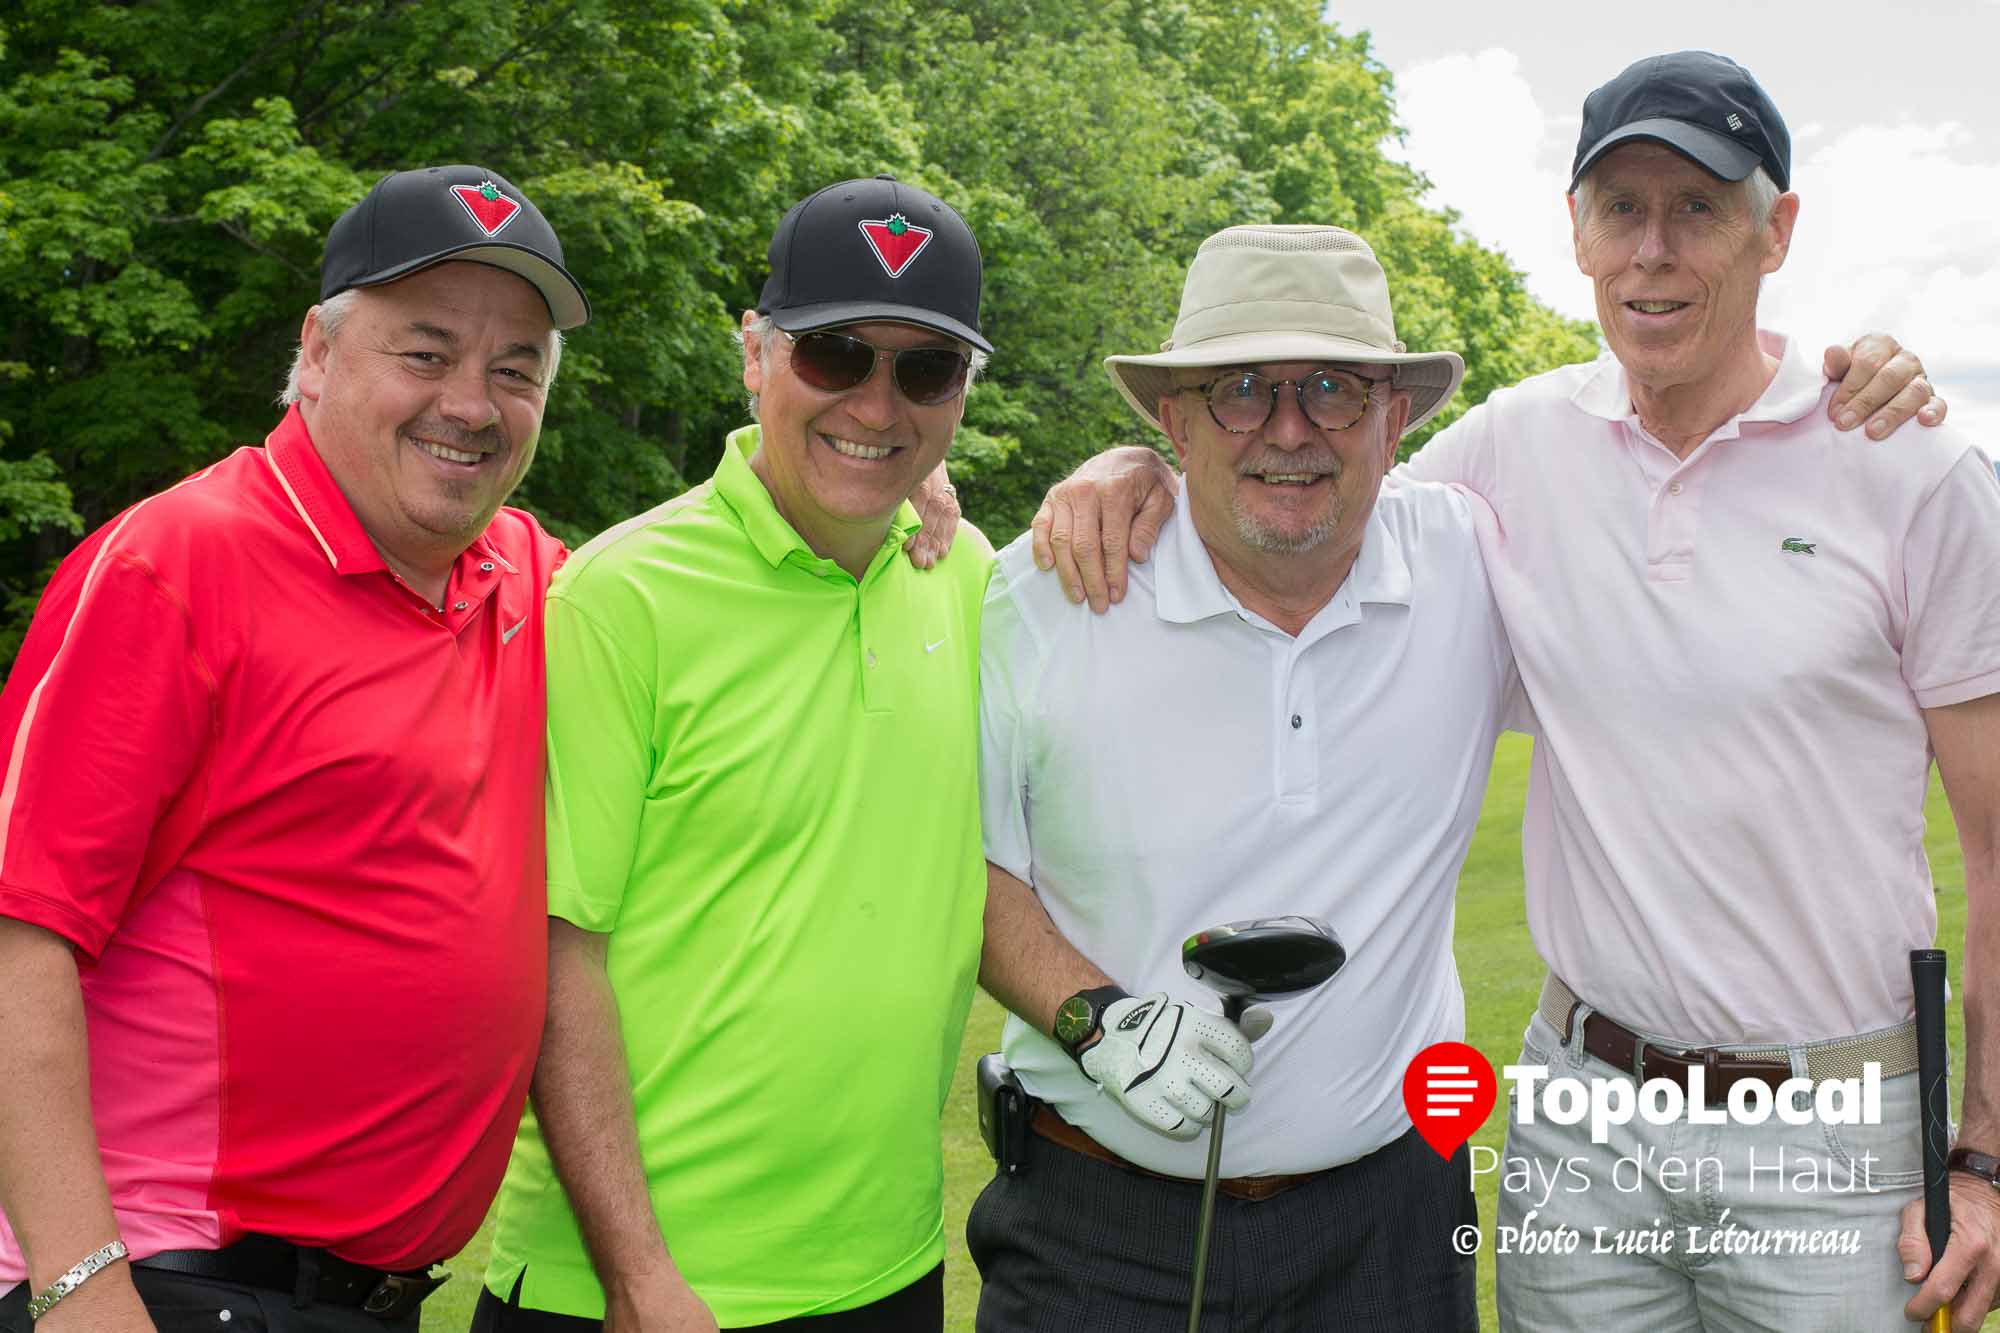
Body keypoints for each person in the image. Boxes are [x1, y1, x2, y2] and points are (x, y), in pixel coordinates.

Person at [1022, 49, 2000, 1333]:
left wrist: (1983, 1160)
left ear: (1775, 233)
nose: (1651, 250)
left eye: (1697, 208)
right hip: (1580, 1119)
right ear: (1576, 233)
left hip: (1830, 1131)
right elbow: (1300, 480)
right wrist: (1129, 467)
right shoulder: (1509, 447)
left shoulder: (1912, 469)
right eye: (1619, 209)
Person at [0, 165, 590, 1333]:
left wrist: (889, 482)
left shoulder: (531, 579)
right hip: (168, 1281)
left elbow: (709, 582)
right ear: (316, 352)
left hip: (357, 1300)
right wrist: (81, 1288)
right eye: (425, 353)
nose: (471, 403)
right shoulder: (178, 563)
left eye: (514, 369)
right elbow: (19, 935)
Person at [472, 175, 995, 1333]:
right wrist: (637, 1274)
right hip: (637, 1291)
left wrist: (1129, 473)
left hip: (889, 1269)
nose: (876, 402)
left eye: (925, 371)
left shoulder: (966, 579)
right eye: (834, 354)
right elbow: (557, 952)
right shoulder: (619, 595)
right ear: (754, 352)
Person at [969, 222, 1505, 1329]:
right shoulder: (1042, 594)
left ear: (1394, 420)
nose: (1289, 430)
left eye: (1333, 389)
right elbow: (962, 865)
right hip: (1095, 1231)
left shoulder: (1471, 564)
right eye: (1241, 390)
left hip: (1393, 1226)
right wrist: (1096, 1019)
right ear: (1173, 421)